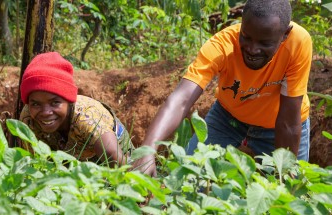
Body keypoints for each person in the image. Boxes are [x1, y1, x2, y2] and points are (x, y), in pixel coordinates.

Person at [133, 0, 312, 176]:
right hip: (227, 120)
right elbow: (181, 99)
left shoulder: (298, 43)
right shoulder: (222, 45)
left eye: (264, 43)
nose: (252, 49)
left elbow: (288, 122)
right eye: (246, 37)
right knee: (188, 178)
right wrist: (147, 150)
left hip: (280, 126)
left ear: (285, 35)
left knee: (285, 192)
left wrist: (284, 175)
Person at [19, 52, 133, 166]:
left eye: (55, 103)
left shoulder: (87, 117)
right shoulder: (28, 117)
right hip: (71, 161)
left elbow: (117, 162)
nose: (45, 112)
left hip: (117, 158)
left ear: (68, 100)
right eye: (36, 104)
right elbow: (34, 164)